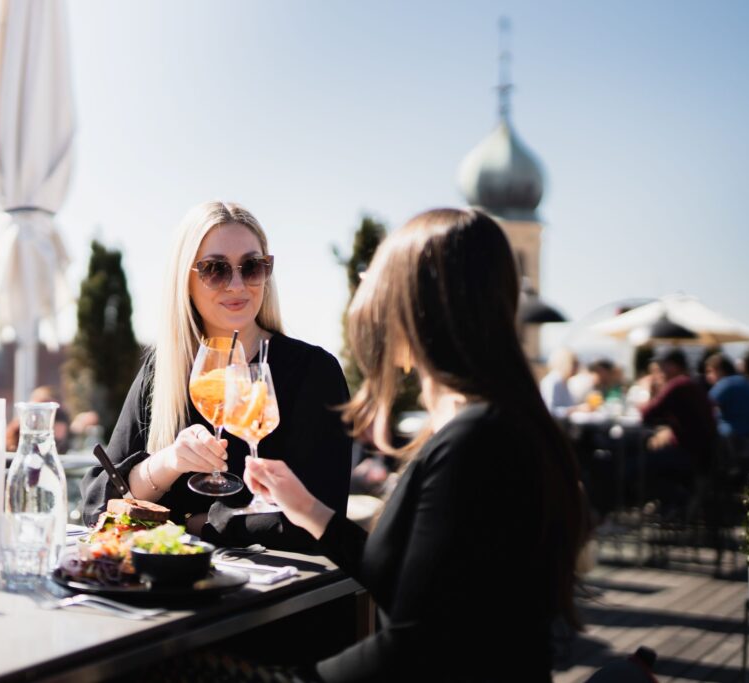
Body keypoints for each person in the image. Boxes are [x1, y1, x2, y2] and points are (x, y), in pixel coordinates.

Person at [246, 208, 584, 681]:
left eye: (381, 285)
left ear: (421, 308)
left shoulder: (477, 443)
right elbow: (421, 589)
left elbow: (418, 644)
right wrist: (310, 510)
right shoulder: (493, 426)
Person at [79, 201, 351, 551]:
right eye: (215, 270)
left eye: (252, 267)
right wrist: (168, 462)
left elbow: (315, 522)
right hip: (173, 595)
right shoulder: (163, 371)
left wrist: (190, 523)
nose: (237, 284)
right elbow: (97, 505)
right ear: (186, 281)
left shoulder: (313, 372)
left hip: (284, 599)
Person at [640, 349, 718, 501]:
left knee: (637, 465)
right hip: (701, 452)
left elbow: (647, 414)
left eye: (663, 366)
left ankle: (675, 502)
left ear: (673, 366)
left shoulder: (678, 384)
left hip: (691, 453)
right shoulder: (690, 382)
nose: (660, 371)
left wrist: (649, 391)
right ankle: (673, 504)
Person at [705, 353, 749, 438]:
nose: (708, 376)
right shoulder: (744, 381)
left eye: (710, 371)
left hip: (733, 438)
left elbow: (704, 405)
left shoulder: (725, 384)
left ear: (720, 370)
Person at [540, 348, 578, 417]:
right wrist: (575, 409)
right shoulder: (552, 382)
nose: (577, 368)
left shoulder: (563, 381)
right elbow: (550, 410)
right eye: (574, 364)